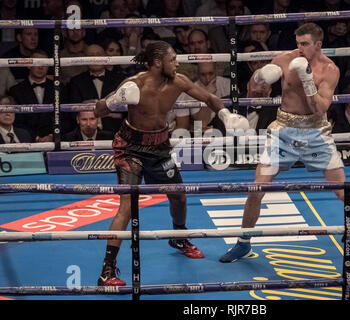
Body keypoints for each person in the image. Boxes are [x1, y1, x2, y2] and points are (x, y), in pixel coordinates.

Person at [219, 23, 350, 263]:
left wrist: (306, 80)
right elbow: (253, 93)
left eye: (305, 44)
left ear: (318, 44)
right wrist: (259, 78)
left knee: (342, 191)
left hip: (315, 132)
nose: (299, 48)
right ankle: (243, 243)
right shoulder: (283, 60)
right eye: (297, 43)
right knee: (257, 188)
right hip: (283, 131)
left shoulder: (330, 70)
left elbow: (320, 109)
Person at [94, 40, 249, 286]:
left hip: (160, 147)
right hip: (130, 147)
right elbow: (97, 110)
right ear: (158, 62)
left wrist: (225, 115)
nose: (177, 63)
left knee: (179, 196)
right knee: (127, 205)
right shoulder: (134, 84)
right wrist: (114, 101)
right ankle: (107, 270)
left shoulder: (178, 81)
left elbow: (209, 97)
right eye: (172, 59)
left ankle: (178, 237)